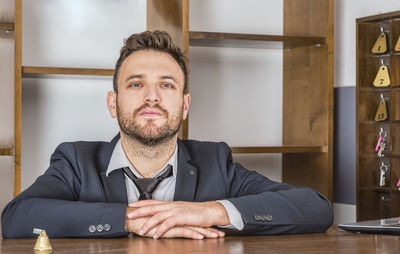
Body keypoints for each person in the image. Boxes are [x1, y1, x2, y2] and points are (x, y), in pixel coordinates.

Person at [1, 30, 333, 239]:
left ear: (184, 105)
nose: (152, 97)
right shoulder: (75, 161)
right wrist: (132, 219)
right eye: (136, 84)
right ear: (113, 103)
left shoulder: (215, 160)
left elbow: (316, 208)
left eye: (166, 85)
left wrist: (207, 212)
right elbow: (17, 217)